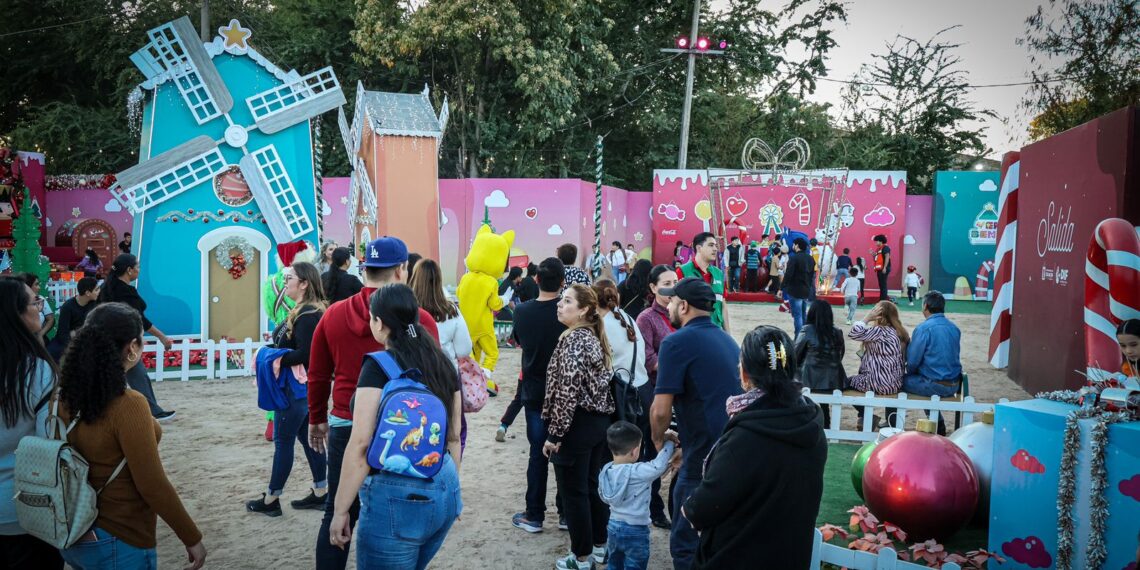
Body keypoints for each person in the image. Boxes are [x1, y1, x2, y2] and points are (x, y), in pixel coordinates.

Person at [307, 236, 440, 570]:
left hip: (346, 423)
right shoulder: (420, 320)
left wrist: (316, 417)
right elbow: (434, 379)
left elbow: (318, 374)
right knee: (396, 511)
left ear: (365, 268)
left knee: (338, 512)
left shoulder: (333, 314)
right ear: (401, 269)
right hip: (400, 427)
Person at [57, 303, 206, 569]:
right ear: (132, 348)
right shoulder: (127, 404)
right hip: (120, 533)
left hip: (75, 528)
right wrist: (190, 535)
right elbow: (152, 484)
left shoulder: (64, 396)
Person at [328, 284, 462, 569]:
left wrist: (340, 511)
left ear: (380, 323)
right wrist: (453, 489)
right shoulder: (443, 364)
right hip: (445, 485)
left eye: (371, 318)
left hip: (397, 495)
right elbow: (453, 437)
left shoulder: (378, 367)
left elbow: (362, 444)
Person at [682, 325, 827, 570]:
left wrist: (689, 506)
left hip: (738, 556)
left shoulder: (747, 435)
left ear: (745, 373)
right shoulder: (810, 421)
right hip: (789, 555)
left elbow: (705, 506)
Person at [649, 277, 742, 569]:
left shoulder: (676, 342)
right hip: (730, 448)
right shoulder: (727, 339)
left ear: (684, 306)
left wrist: (657, 439)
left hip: (702, 456)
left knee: (685, 540)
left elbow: (660, 411)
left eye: (673, 301)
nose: (669, 305)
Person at [246, 262, 329, 516]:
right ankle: (320, 492)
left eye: (290, 277)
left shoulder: (306, 315)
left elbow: (307, 354)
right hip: (301, 389)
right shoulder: (307, 311)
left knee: (283, 441)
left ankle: (272, 500)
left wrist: (274, 357)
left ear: (304, 283)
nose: (285, 282)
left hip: (295, 390)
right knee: (309, 440)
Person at [542, 284, 616, 570]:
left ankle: (581, 557)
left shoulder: (575, 340)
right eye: (561, 299)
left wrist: (555, 433)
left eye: (568, 300)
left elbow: (568, 389)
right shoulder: (590, 337)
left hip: (577, 425)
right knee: (589, 487)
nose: (560, 304)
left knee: (574, 492)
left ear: (584, 309)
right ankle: (599, 546)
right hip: (596, 424)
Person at [0, 278, 61, 568]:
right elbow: (47, 445)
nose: (40, 307)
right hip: (23, 510)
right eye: (35, 302)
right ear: (16, 313)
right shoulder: (35, 371)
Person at [510, 258, 569, 533]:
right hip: (565, 393)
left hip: (534, 392)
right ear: (561, 282)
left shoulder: (522, 312)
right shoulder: (568, 314)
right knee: (566, 452)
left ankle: (534, 514)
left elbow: (519, 341)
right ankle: (566, 513)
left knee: (538, 454)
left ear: (536, 280)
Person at [97, 255, 175, 421]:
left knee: (130, 375)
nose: (139, 270)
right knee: (134, 374)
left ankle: (151, 410)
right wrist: (162, 337)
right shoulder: (127, 292)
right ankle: (152, 412)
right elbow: (139, 319)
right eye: (137, 267)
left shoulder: (107, 288)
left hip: (105, 338)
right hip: (123, 341)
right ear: (129, 270)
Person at [410, 258, 473, 451]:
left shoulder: (407, 310)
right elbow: (464, 349)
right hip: (445, 376)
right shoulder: (450, 311)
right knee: (454, 429)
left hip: (413, 376)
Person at [598, 422, 679, 570]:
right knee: (635, 565)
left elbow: (602, 496)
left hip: (613, 526)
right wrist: (668, 443)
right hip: (636, 529)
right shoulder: (638, 472)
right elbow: (659, 465)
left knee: (614, 563)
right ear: (635, 452)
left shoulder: (606, 470)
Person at [634, 265, 678, 529]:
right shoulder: (646, 318)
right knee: (652, 452)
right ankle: (654, 508)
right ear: (652, 287)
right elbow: (648, 359)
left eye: (675, 281)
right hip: (656, 394)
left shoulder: (680, 313)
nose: (672, 286)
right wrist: (679, 363)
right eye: (666, 282)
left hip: (681, 394)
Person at [902, 291, 962, 434]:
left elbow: (912, 362)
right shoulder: (954, 328)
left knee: (896, 382)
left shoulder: (924, 329)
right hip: (954, 385)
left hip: (933, 385)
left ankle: (891, 423)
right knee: (925, 378)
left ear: (925, 306)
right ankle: (938, 424)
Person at [849, 301, 909, 428]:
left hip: (877, 383)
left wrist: (866, 318)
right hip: (895, 383)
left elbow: (854, 333)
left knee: (846, 382)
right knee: (886, 374)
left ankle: (865, 415)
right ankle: (887, 421)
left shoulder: (880, 331)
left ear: (879, 316)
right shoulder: (900, 333)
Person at [794, 300, 847, 427]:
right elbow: (841, 354)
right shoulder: (837, 331)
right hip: (835, 379)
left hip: (809, 380)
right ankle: (826, 419)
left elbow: (796, 354)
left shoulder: (807, 330)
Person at [675, 232, 730, 332]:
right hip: (691, 332)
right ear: (699, 248)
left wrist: (728, 336)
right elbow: (676, 305)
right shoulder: (682, 271)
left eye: (716, 246)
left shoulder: (719, 273)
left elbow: (723, 306)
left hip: (716, 331)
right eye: (710, 245)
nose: (715, 249)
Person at [46, 276, 98, 361]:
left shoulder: (94, 304)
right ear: (88, 293)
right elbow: (63, 333)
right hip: (67, 340)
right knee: (52, 353)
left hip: (86, 337)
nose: (99, 292)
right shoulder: (68, 306)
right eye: (96, 289)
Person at [780, 238, 815, 335]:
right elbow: (811, 276)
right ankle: (804, 337)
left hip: (795, 290)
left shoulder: (794, 258)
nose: (793, 246)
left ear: (797, 246)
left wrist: (781, 287)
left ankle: (798, 338)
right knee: (803, 314)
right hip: (806, 290)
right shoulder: (811, 259)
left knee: (797, 316)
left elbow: (788, 274)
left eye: (794, 244)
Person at [20, 273, 55, 343]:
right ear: (28, 287)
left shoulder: (40, 299)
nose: (39, 287)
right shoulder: (18, 304)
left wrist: (40, 334)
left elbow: (51, 319)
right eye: (36, 284)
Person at [872, 234, 892, 303]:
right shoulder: (878, 249)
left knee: (883, 284)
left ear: (881, 241)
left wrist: (885, 267)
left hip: (884, 268)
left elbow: (887, 257)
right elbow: (877, 259)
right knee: (881, 284)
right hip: (879, 269)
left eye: (876, 241)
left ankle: (883, 301)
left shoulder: (885, 248)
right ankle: (881, 300)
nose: (876, 243)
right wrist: (874, 255)